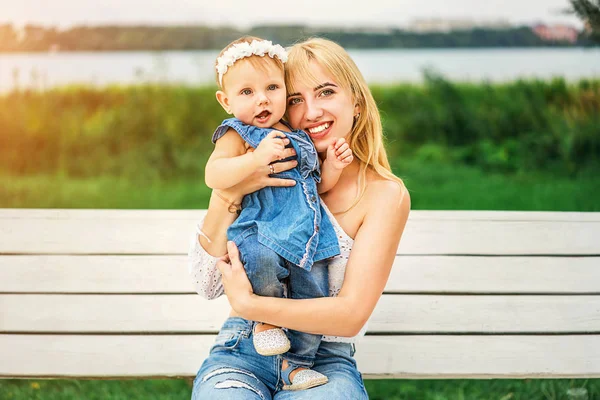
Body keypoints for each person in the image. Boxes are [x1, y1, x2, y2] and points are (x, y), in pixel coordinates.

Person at [189, 37, 410, 399]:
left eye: (325, 92)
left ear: (356, 101)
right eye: (295, 99)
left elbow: (351, 315)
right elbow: (209, 284)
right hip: (241, 351)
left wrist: (250, 305)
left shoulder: (385, 194)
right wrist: (230, 193)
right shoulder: (260, 160)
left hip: (323, 359)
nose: (310, 112)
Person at [204, 36, 354, 391]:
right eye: (246, 92)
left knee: (311, 291)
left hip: (304, 237)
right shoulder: (238, 134)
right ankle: (265, 322)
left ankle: (296, 364)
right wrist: (254, 161)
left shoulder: (295, 135)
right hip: (260, 230)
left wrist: (331, 166)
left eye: (272, 87)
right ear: (226, 101)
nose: (261, 99)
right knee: (262, 262)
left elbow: (313, 187)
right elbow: (214, 175)